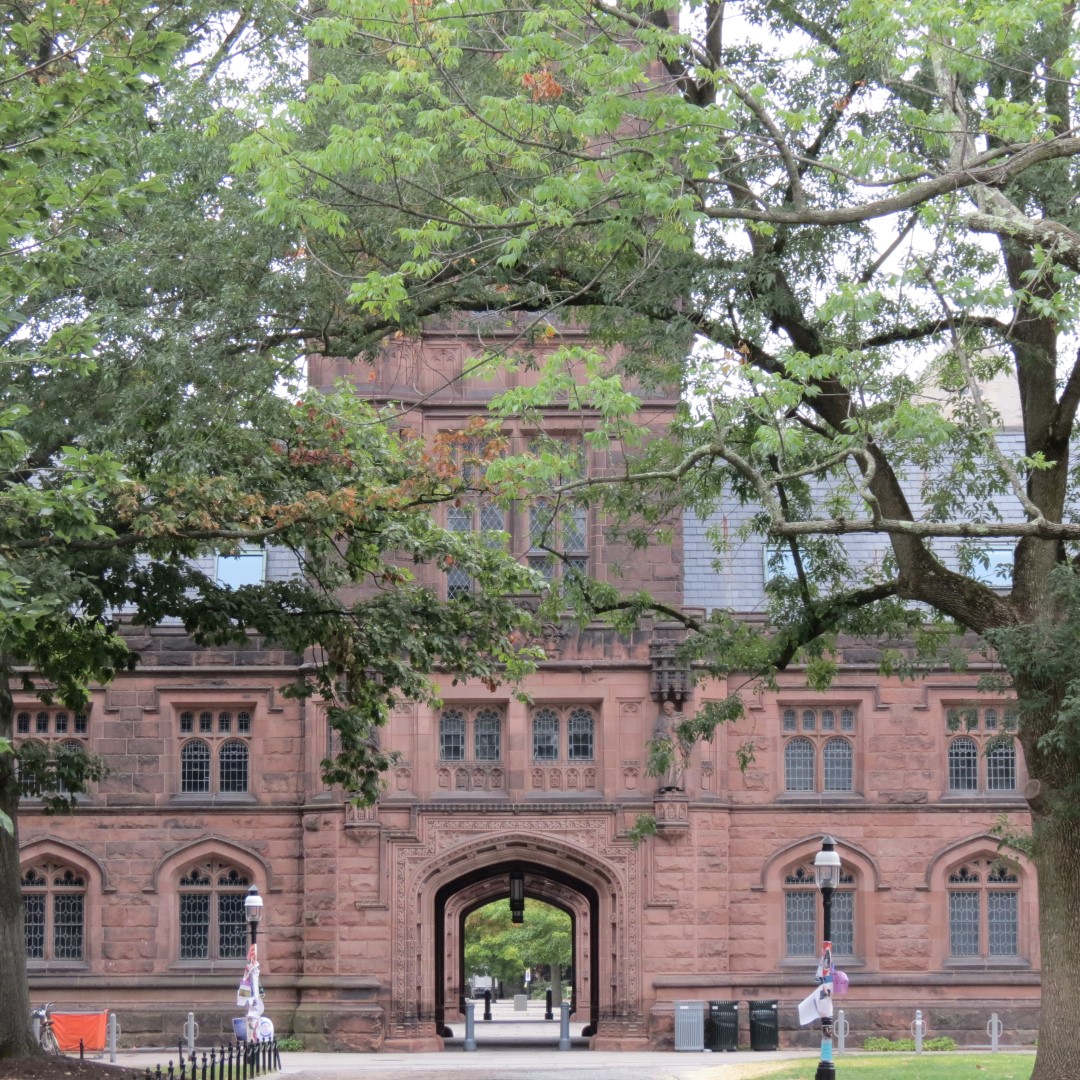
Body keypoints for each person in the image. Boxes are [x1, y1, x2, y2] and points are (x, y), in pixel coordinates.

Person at [653, 699, 691, 792]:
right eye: (665, 709)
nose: (666, 711)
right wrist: (662, 735)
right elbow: (655, 733)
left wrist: (679, 730)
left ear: (672, 708)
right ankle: (664, 785)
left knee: (677, 764)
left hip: (677, 746)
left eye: (668, 709)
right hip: (665, 746)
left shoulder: (681, 717)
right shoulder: (661, 718)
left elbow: (689, 732)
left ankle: (677, 785)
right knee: (665, 763)